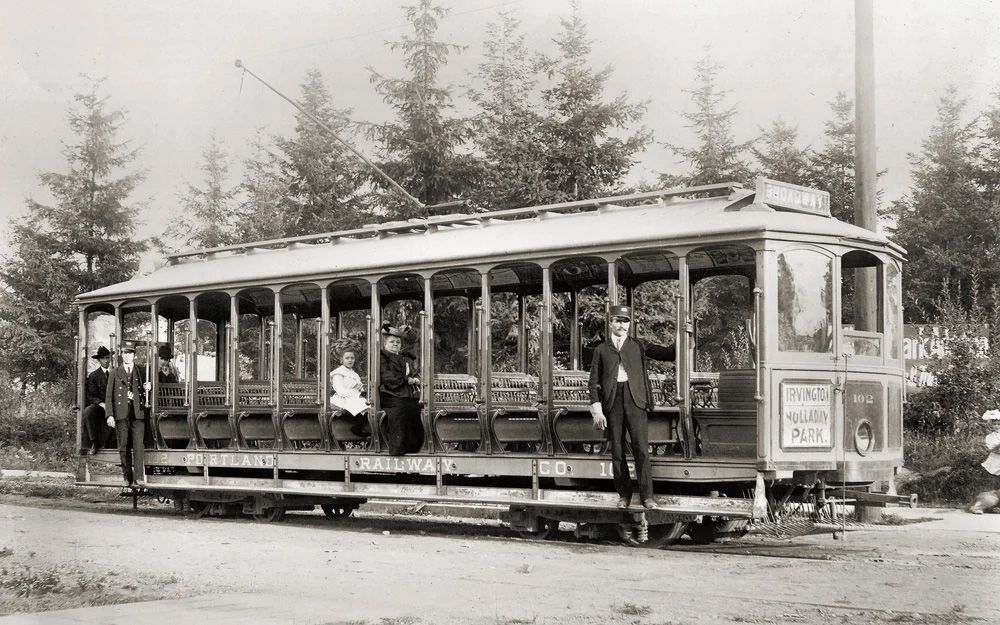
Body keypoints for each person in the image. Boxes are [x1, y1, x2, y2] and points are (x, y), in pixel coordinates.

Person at [588, 305, 676, 510]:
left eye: (625, 321)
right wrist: (597, 408)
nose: (621, 325)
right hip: (612, 402)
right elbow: (593, 382)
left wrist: (683, 335)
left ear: (630, 324)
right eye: (617, 321)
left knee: (641, 450)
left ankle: (647, 497)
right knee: (617, 451)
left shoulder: (639, 345)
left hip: (636, 401)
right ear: (611, 323)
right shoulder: (601, 350)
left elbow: (667, 354)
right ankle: (624, 495)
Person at [104, 340, 150, 486]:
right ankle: (126, 478)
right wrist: (109, 415)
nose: (127, 356)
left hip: (138, 414)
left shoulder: (141, 371)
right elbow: (109, 396)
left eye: (130, 353)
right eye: (124, 353)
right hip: (121, 414)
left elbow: (147, 390)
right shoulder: (115, 372)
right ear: (121, 355)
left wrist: (149, 387)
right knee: (123, 446)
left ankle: (138, 478)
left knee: (138, 446)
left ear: (134, 355)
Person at [379, 324, 423, 455]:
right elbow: (388, 378)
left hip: (402, 393)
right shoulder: (383, 357)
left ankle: (414, 448)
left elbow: (413, 372)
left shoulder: (404, 357)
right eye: (391, 342)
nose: (395, 344)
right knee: (401, 408)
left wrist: (415, 379)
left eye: (397, 342)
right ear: (385, 344)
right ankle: (398, 448)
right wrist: (407, 380)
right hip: (389, 393)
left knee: (415, 407)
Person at [330, 340, 370, 436]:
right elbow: (340, 390)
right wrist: (354, 393)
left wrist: (360, 388)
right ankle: (357, 428)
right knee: (361, 406)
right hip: (342, 398)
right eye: (347, 358)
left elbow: (359, 387)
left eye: (352, 358)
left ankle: (361, 427)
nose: (350, 360)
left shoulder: (354, 374)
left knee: (369, 406)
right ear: (341, 360)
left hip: (354, 397)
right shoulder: (338, 373)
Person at [82, 345, 113, 455]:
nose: (106, 361)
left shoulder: (116, 374)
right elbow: (91, 395)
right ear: (99, 360)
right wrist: (101, 404)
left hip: (114, 405)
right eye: (103, 358)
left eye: (107, 358)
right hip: (100, 406)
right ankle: (94, 442)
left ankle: (108, 443)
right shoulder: (94, 376)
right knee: (88, 412)